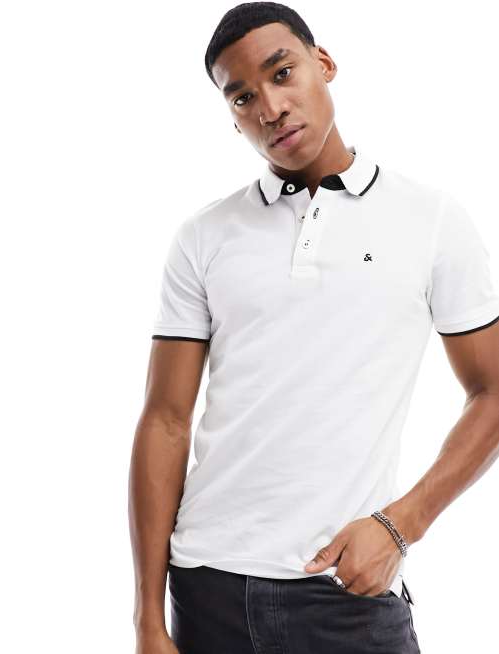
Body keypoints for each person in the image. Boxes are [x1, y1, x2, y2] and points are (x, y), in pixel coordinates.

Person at [128, 3, 499, 653]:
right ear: (231, 116)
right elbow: (164, 420)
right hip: (206, 588)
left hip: (344, 588)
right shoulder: (204, 236)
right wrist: (147, 618)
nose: (270, 107)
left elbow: (492, 391)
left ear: (322, 64)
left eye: (282, 74)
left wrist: (401, 525)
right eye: (243, 96)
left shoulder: (430, 218)